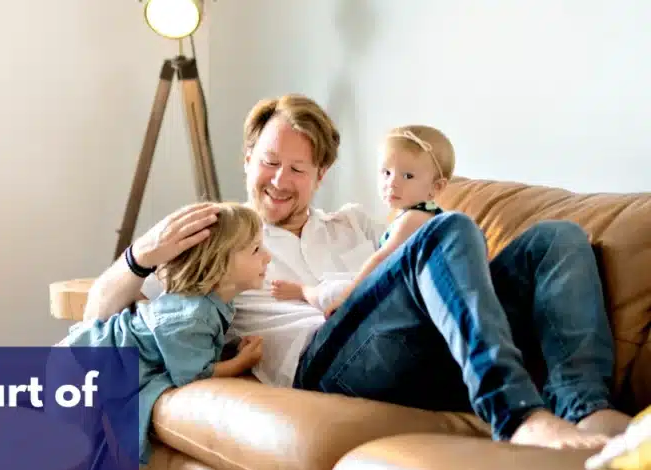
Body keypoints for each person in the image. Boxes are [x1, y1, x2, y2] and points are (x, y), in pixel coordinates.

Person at [85, 92, 632, 451]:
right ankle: (515, 415)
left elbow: (431, 274)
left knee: (556, 238)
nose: (279, 180)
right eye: (269, 162)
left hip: (425, 341)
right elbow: (98, 314)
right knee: (449, 228)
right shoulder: (221, 237)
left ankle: (586, 409)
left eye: (298, 168)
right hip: (325, 363)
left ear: (320, 174)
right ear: (247, 158)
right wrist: (141, 255)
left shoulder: (355, 224)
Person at [68, 201, 270, 464]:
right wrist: (240, 363)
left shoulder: (214, 301)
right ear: (218, 265)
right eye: (256, 250)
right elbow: (194, 374)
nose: (268, 256)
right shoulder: (191, 316)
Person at [315, 124, 455, 318]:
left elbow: (380, 260)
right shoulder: (406, 216)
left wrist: (347, 297)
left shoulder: (416, 217)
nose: (392, 183)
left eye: (407, 176)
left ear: (436, 187)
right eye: (386, 172)